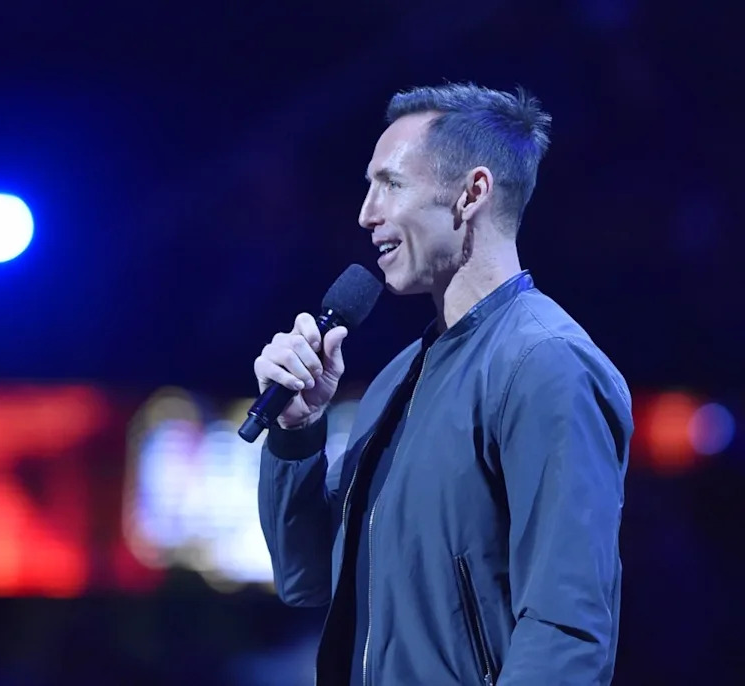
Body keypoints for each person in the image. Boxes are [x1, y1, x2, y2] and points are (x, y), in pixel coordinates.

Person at [254, 83, 633, 685]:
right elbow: (306, 579)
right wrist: (297, 434)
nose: (365, 212)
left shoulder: (547, 366)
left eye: (391, 184)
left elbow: (567, 627)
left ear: (471, 193)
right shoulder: (397, 379)